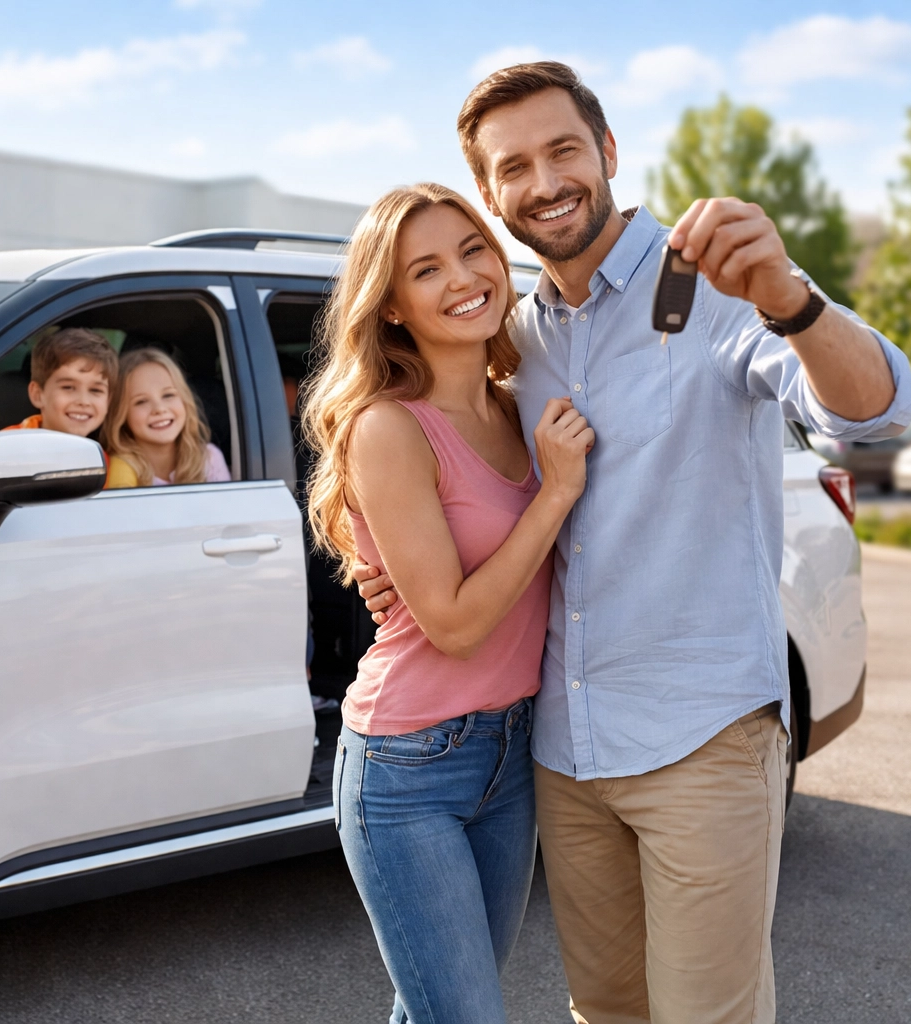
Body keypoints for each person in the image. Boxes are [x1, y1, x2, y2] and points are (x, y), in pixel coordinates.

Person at [354, 62, 911, 1024]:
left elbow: (871, 413)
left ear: (608, 152)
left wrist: (793, 299)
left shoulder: (716, 283)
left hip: (702, 737)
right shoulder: (513, 340)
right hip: (563, 754)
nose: (545, 182)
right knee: (605, 1011)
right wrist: (403, 582)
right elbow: (451, 493)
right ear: (493, 197)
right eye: (514, 167)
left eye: (564, 150)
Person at [303, 181, 594, 1024]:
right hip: (409, 768)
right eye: (424, 269)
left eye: (472, 250)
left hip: (513, 750)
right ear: (389, 306)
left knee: (435, 1008)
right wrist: (554, 494)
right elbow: (457, 624)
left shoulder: (519, 406)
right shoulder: (388, 427)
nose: (463, 277)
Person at [3, 326, 137, 488]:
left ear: (108, 401)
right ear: (38, 394)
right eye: (68, 387)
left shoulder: (103, 464)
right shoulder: (8, 448)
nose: (83, 401)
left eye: (95, 390)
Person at [104, 347, 231, 486]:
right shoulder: (120, 470)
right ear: (121, 415)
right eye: (141, 401)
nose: (159, 409)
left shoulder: (209, 460)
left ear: (185, 401)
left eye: (168, 395)